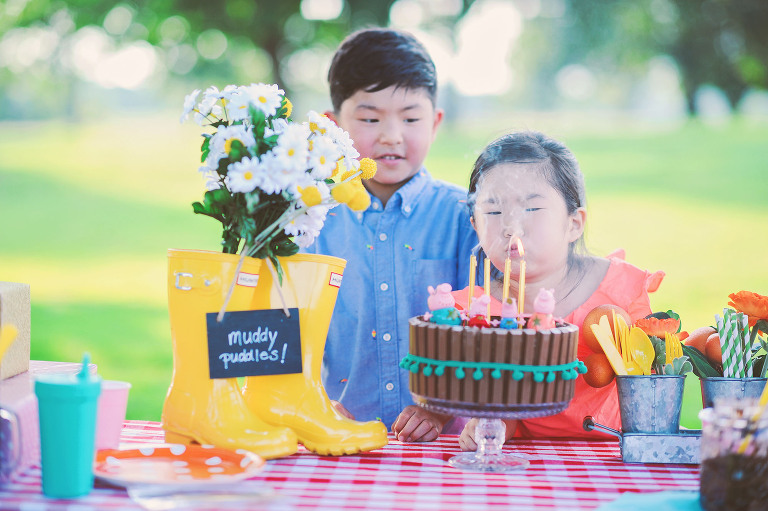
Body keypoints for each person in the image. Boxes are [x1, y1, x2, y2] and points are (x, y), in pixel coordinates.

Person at [304, 28, 478, 442]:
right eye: (369, 118)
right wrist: (312, 403)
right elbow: (288, 334)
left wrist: (439, 405)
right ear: (333, 127)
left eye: (411, 118)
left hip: (446, 448)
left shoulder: (467, 217)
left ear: (435, 122)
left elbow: (486, 330)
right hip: (337, 438)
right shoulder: (308, 221)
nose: (391, 135)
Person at [453, 131, 663, 450]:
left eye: (532, 209)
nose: (511, 226)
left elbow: (652, 385)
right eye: (493, 212)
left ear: (573, 223)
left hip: (618, 458)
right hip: (524, 467)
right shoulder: (474, 312)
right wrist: (499, 421)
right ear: (475, 224)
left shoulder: (619, 290)